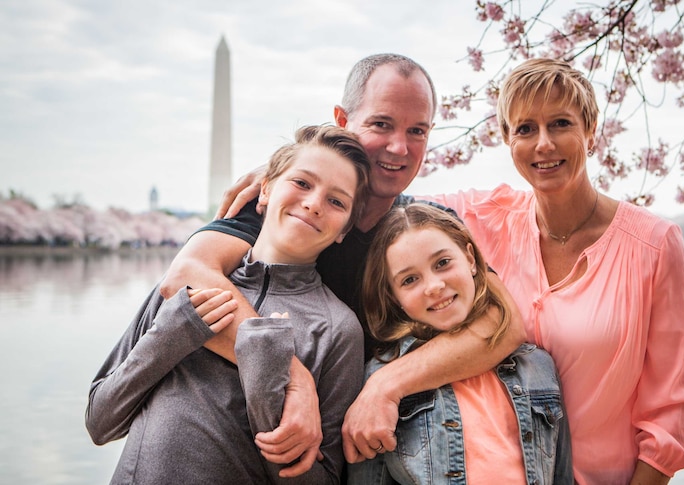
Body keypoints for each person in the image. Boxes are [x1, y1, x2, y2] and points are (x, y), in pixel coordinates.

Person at [157, 53, 526, 476]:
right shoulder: (289, 210)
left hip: (363, 456)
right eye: (381, 124)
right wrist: (290, 375)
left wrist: (385, 387)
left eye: (417, 131)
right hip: (234, 447)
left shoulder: (420, 231)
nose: (399, 147)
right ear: (342, 119)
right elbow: (185, 276)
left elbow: (504, 323)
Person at [426, 58, 684, 484]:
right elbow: (387, 202)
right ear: (506, 138)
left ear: (591, 132)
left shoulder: (655, 245)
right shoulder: (486, 218)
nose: (543, 144)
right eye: (525, 129)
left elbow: (671, 411)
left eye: (560, 124)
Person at [86, 125, 371, 484]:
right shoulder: (184, 286)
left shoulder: (337, 329)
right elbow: (100, 421)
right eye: (301, 183)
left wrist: (267, 375)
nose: (314, 203)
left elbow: (319, 480)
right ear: (264, 189)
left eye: (336, 201)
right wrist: (172, 335)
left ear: (344, 228)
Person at [347, 203, 573, 484]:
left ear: (470, 259)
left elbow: (561, 475)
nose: (433, 286)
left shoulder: (538, 366)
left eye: (442, 263)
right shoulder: (378, 377)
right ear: (394, 298)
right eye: (409, 279)